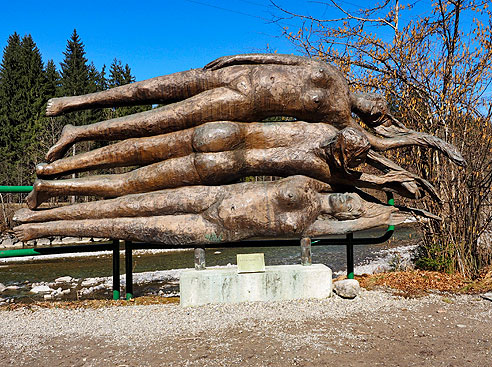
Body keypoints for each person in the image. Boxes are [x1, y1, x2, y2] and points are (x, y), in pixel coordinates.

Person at [43, 54, 465, 167]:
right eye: (378, 99)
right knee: (153, 87)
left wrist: (434, 140)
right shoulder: (332, 74)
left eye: (379, 109)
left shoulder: (339, 123)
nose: (375, 104)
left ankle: (78, 134)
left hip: (240, 104)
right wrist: (235, 57)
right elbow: (283, 60)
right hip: (241, 75)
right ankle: (75, 103)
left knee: (156, 120)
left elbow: (382, 142)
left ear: (374, 116)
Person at [26, 122, 437, 209]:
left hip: (220, 143)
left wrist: (402, 186)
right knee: (130, 177)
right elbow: (366, 183)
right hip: (216, 167)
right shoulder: (326, 166)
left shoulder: (315, 130)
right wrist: (402, 191)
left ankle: (54, 175)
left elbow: (372, 171)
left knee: (138, 155)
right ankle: (54, 176)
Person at [14, 175, 407, 244]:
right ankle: (38, 212)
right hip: (211, 196)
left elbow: (365, 223)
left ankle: (38, 228)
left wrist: (382, 215)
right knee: (127, 204)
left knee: (124, 225)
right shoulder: (310, 184)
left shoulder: (314, 224)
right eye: (349, 197)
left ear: (343, 217)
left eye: (350, 207)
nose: (345, 201)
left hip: (217, 229)